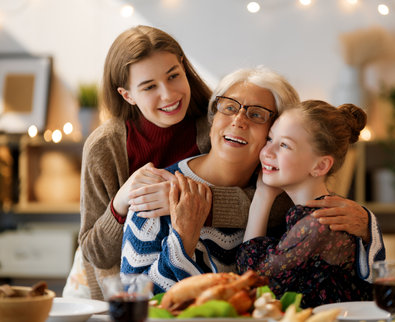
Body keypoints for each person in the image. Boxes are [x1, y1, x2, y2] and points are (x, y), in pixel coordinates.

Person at [120, 69, 384, 295]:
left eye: (257, 114)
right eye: (229, 107)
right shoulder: (158, 193)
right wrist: (182, 240)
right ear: (213, 118)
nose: (238, 120)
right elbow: (133, 300)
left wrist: (366, 225)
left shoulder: (288, 196)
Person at [67, 26, 268, 300]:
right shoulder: (105, 146)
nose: (169, 94)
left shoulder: (216, 125)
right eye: (149, 86)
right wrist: (121, 202)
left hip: (190, 280)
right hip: (109, 288)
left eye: (173, 76)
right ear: (127, 95)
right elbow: (96, 253)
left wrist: (193, 203)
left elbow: (275, 204)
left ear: (184, 67)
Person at [237, 100, 385, 308]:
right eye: (270, 139)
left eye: (284, 145)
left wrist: (263, 196)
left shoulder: (320, 222)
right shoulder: (310, 213)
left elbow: (253, 279)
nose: (267, 152)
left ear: (320, 166)